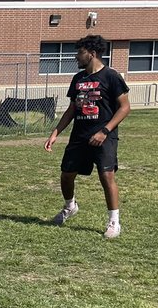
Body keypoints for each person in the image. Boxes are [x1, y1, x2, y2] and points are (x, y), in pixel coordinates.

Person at [44, 35, 130, 239]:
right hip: (79, 137)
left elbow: (125, 107)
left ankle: (114, 222)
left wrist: (104, 131)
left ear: (91, 54)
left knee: (106, 176)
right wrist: (55, 132)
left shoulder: (111, 76)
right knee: (66, 175)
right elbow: (72, 109)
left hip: (104, 137)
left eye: (80, 52)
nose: (76, 56)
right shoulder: (78, 79)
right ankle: (70, 206)